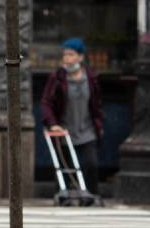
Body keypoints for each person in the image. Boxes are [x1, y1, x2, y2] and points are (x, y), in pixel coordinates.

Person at [40, 37, 104, 196]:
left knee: (91, 164)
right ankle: (64, 193)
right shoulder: (57, 78)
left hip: (87, 129)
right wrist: (52, 123)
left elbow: (97, 102)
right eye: (65, 55)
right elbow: (46, 102)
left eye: (71, 55)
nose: (67, 59)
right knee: (65, 164)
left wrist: (99, 122)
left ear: (80, 57)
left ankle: (91, 194)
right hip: (65, 129)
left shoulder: (91, 77)